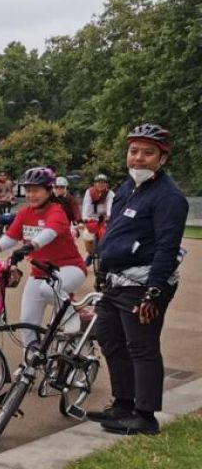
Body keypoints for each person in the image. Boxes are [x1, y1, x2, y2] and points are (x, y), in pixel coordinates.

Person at [87, 124, 188, 436]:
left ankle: (145, 415)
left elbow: (167, 249)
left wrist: (153, 293)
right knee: (110, 340)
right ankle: (123, 404)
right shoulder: (126, 189)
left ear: (162, 159)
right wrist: (102, 271)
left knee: (141, 347)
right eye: (134, 151)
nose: (139, 158)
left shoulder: (169, 197)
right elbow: (114, 233)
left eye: (148, 153)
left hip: (144, 285)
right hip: (116, 281)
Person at [0, 167, 87, 346]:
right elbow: (11, 237)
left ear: (49, 190)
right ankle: (30, 366)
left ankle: (74, 316)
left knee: (47, 289)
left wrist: (28, 248)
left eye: (36, 190)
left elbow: (48, 234)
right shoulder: (24, 213)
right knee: (27, 324)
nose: (31, 195)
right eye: (28, 190)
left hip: (70, 268)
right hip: (40, 272)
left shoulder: (56, 211)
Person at [81, 173, 114, 263]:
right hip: (92, 219)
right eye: (98, 182)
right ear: (95, 184)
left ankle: (107, 254)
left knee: (108, 235)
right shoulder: (89, 192)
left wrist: (109, 216)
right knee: (87, 235)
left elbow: (110, 206)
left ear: (107, 184)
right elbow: (86, 205)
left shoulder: (110, 194)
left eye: (103, 182)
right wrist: (85, 218)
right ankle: (90, 254)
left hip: (104, 219)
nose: (100, 184)